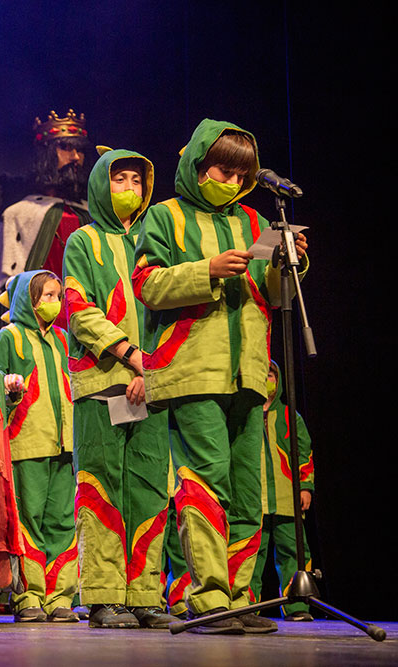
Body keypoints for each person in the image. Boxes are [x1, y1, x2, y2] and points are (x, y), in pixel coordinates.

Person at [132, 119, 309, 635]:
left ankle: (240, 597)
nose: (231, 182)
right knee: (206, 480)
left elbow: (273, 296)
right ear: (197, 166)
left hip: (249, 374)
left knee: (248, 490)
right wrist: (206, 269)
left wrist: (288, 263)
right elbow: (146, 284)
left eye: (240, 175)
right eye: (222, 171)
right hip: (193, 370)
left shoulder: (254, 220)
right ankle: (208, 597)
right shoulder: (165, 216)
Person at [64, 149, 176, 629]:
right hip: (102, 383)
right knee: (102, 486)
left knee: (150, 489)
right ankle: (105, 596)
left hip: (154, 384)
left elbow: (170, 306)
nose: (129, 188)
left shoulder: (155, 243)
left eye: (136, 180)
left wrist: (153, 371)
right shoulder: (83, 241)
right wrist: (132, 357)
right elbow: (79, 309)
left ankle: (145, 594)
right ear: (99, 186)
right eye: (119, 179)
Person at [0, 270, 78, 622]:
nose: (54, 302)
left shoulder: (62, 339)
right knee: (29, 521)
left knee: (62, 521)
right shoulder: (9, 337)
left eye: (57, 296)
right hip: (27, 442)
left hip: (63, 444)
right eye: (47, 296)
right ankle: (29, 596)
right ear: (29, 299)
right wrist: (8, 386)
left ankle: (60, 597)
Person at [0, 109, 95, 326]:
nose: (76, 157)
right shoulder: (20, 214)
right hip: (40, 323)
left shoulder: (91, 215)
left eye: (79, 150)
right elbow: (8, 284)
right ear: (46, 154)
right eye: (65, 148)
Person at [250, 361, 315, 621]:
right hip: (254, 497)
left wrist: (306, 487)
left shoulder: (290, 416)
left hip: (287, 497)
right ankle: (247, 607)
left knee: (294, 552)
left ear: (278, 381)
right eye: (263, 374)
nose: (267, 380)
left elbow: (304, 454)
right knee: (251, 554)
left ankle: (298, 606)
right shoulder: (246, 414)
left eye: (271, 375)